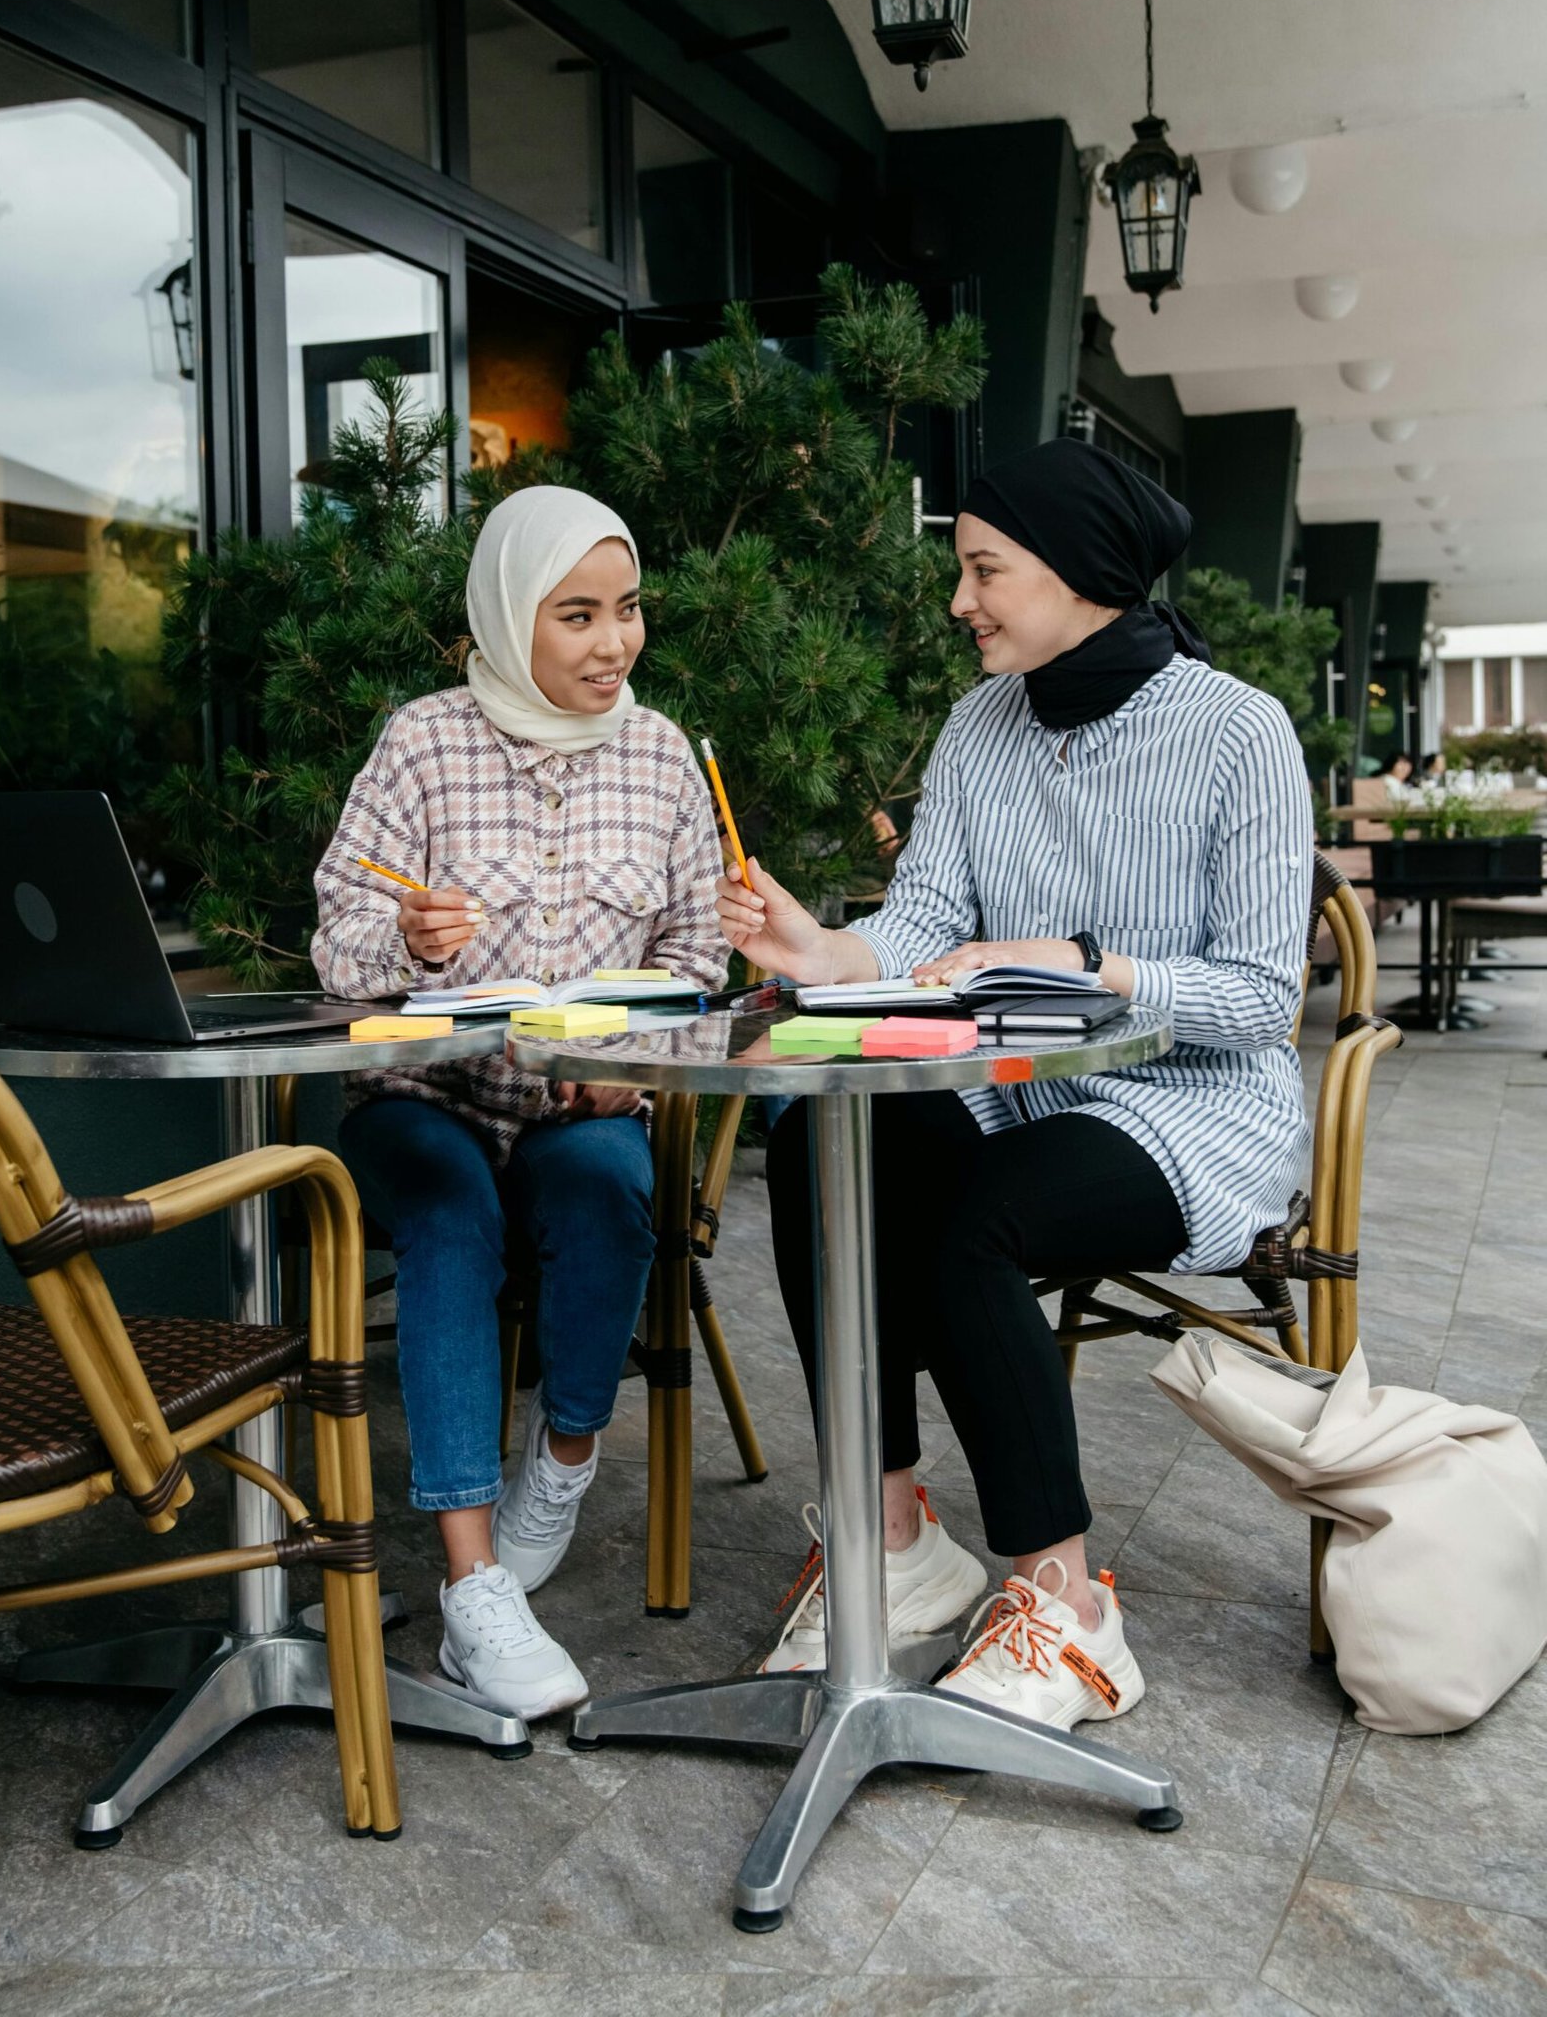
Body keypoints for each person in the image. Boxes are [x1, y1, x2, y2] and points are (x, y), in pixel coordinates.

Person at [719, 439, 1312, 1732]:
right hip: (1017, 1088)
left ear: (1081, 572)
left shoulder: (1238, 732)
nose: (959, 600)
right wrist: (817, 950)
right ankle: (890, 1534)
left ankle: (1065, 1600)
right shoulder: (981, 724)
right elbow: (924, 916)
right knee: (830, 1147)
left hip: (1194, 1104)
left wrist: (1099, 966)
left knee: (982, 1226)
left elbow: (1267, 999)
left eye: (984, 569)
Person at [314, 485, 728, 1721]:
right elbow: (335, 945)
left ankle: (559, 1458)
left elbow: (703, 965)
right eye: (577, 615)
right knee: (449, 1220)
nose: (615, 643)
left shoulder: (661, 756)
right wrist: (402, 931)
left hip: (582, 1101)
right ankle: (472, 1586)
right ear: (507, 621)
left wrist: (634, 1061)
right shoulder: (422, 741)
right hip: (422, 1096)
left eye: (629, 609)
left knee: (606, 1186)